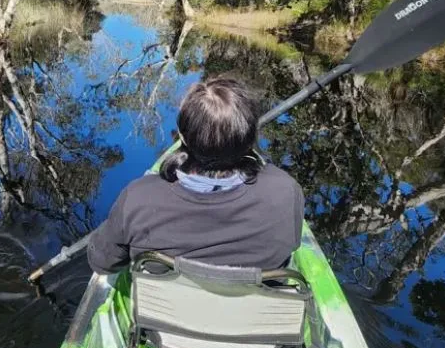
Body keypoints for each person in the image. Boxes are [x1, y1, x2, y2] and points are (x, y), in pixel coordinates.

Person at [87, 77, 305, 274]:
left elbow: (102, 263)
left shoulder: (139, 199)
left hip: (163, 316)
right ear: (251, 140)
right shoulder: (285, 191)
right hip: (252, 316)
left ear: (181, 137)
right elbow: (292, 246)